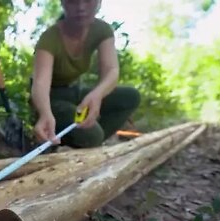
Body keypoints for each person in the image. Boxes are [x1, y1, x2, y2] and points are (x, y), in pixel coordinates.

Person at [31, 0, 140, 148]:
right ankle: (80, 140)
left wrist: (97, 95)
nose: (81, 8)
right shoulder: (49, 38)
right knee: (93, 135)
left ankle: (90, 142)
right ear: (63, 3)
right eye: (73, 2)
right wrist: (44, 113)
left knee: (130, 97)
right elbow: (40, 83)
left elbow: (111, 70)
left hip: (75, 93)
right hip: (51, 100)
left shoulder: (102, 30)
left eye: (88, 0)